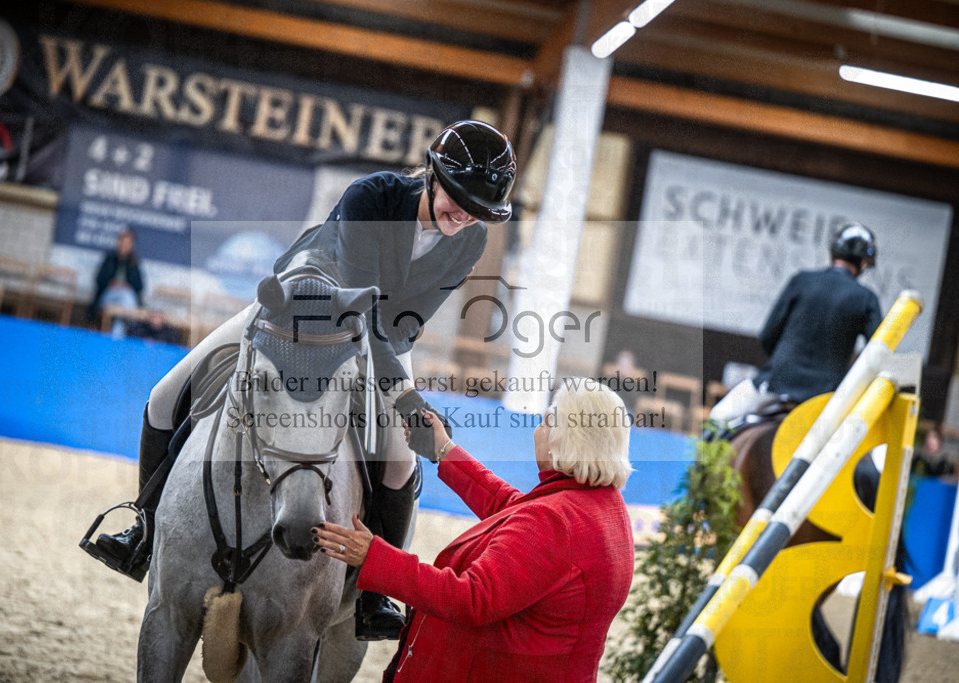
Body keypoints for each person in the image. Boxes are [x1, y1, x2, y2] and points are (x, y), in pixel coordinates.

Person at [90, 120, 517, 640]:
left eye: (478, 209)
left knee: (401, 461)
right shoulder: (372, 196)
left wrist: (401, 399)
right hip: (298, 304)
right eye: (458, 198)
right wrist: (405, 398)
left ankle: (375, 592)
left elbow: (408, 319)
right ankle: (145, 529)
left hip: (382, 336)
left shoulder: (468, 241)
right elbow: (357, 303)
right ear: (432, 174)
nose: (465, 214)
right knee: (165, 396)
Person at [314, 378, 635, 681]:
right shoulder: (601, 505)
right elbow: (516, 512)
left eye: (548, 421)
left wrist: (376, 558)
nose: (538, 429)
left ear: (567, 441)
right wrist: (445, 452)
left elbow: (470, 598)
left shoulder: (555, 522)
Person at [709, 222, 882, 425]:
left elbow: (768, 336)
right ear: (864, 262)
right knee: (871, 452)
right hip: (825, 399)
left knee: (717, 418)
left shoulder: (801, 281)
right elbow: (877, 353)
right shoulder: (867, 298)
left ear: (834, 251)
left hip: (777, 384)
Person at [88, 230, 144, 338]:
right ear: (118, 243)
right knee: (123, 305)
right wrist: (111, 283)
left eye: (127, 243)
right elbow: (99, 280)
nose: (124, 246)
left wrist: (126, 285)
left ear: (132, 245)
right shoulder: (110, 258)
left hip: (124, 299)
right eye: (122, 242)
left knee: (123, 303)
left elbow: (139, 286)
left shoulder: (134, 261)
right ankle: (119, 338)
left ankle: (115, 338)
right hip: (109, 295)